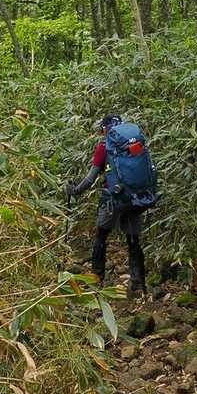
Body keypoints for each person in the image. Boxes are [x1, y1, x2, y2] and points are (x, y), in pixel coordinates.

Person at [67, 113, 148, 299]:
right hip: (135, 198)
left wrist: (75, 190)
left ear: (105, 129)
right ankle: (138, 286)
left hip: (112, 199)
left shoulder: (104, 147)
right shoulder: (134, 144)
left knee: (101, 236)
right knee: (133, 241)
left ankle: (97, 280)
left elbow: (91, 178)